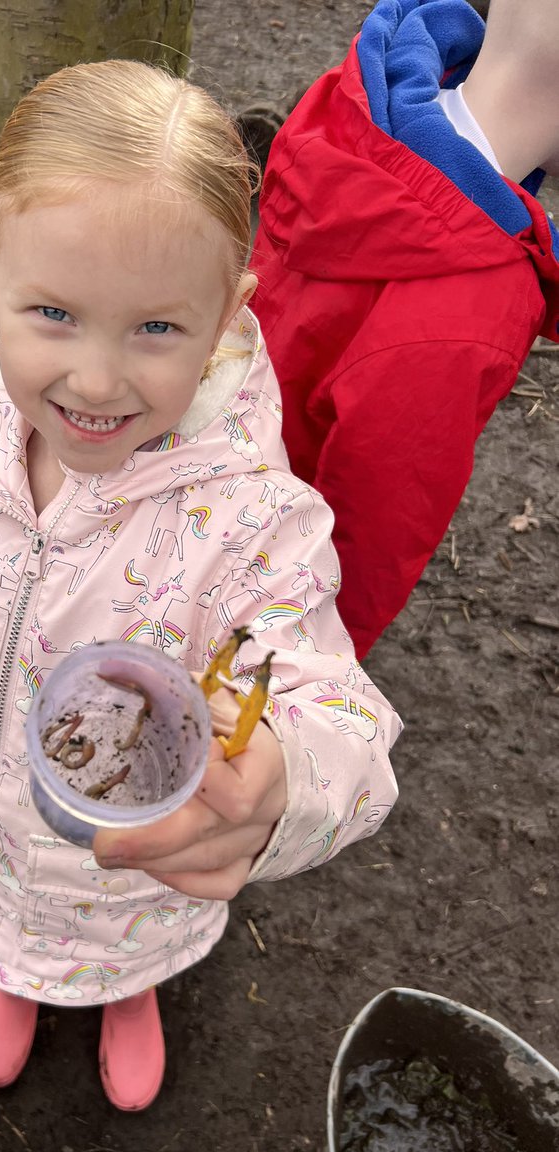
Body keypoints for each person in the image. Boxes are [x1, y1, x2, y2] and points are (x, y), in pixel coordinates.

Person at [0, 59, 401, 1113]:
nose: (100, 380)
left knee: (128, 938)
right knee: (6, 943)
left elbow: (338, 707)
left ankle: (130, 996)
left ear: (227, 316)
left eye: (157, 327)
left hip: (133, 878)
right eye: (54, 313)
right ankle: (11, 979)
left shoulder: (249, 522)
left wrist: (285, 781)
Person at [248, 0, 559, 660]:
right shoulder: (473, 300)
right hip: (261, 556)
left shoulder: (367, 95)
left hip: (214, 440)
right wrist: (308, 662)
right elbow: (376, 528)